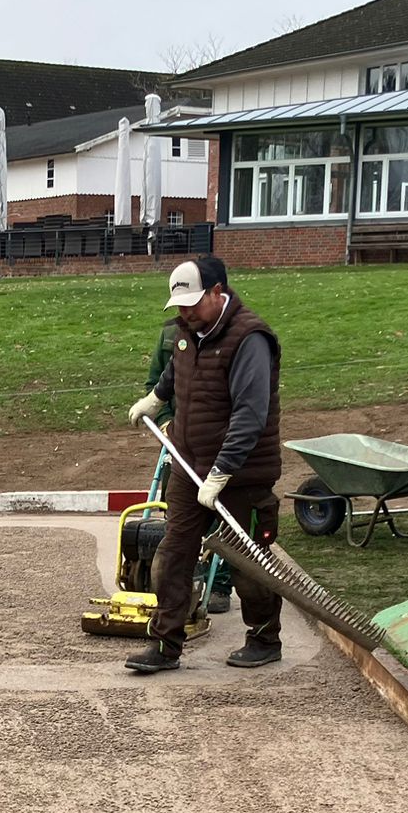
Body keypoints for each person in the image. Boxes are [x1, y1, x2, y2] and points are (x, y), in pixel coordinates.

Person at [122, 256, 283, 673]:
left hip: (242, 472)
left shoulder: (250, 339)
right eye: (179, 305)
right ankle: (165, 644)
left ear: (217, 292)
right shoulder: (186, 331)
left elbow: (251, 413)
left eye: (193, 303)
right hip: (189, 465)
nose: (185, 312)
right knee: (173, 554)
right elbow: (178, 371)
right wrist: (156, 398)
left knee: (247, 561)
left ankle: (264, 639)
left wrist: (222, 470)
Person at [144, 315, 232, 615]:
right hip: (178, 442)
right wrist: (165, 423)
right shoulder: (171, 333)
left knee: (219, 513)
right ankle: (180, 585)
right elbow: (155, 384)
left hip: (217, 442)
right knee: (177, 513)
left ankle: (220, 584)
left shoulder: (234, 335)